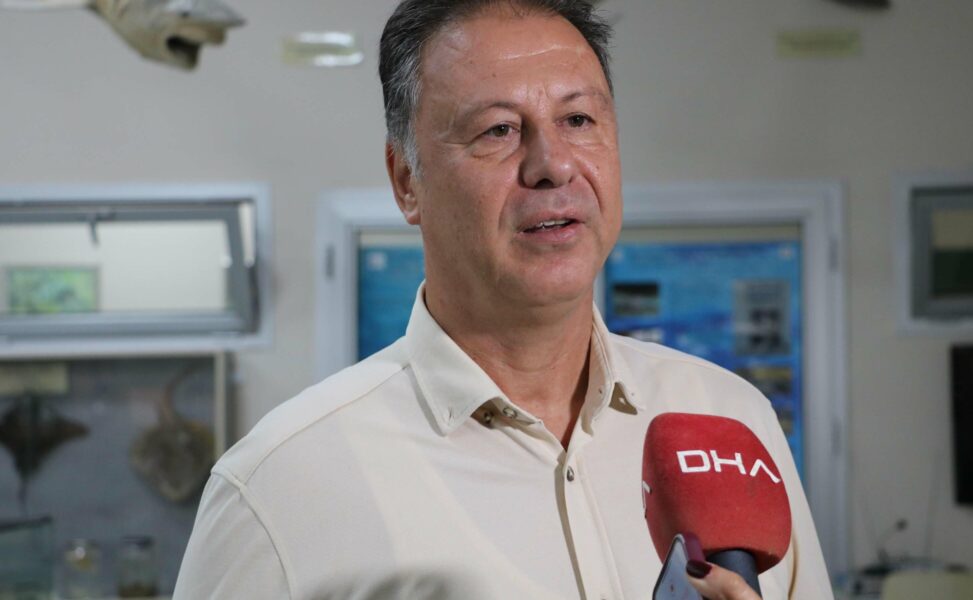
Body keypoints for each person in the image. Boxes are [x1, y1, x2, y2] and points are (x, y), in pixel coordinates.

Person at [174, 1, 835, 598]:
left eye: (578, 119)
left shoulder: (730, 419)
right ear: (406, 182)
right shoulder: (278, 489)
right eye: (497, 130)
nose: (553, 164)